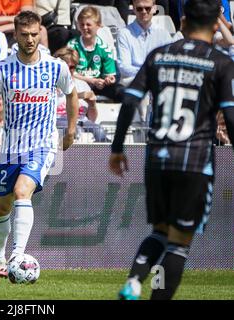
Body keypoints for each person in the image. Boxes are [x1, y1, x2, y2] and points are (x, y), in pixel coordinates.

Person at [109, 0, 234, 300]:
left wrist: (117, 148)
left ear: (182, 22)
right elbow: (230, 116)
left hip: (157, 158)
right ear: (217, 24)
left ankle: (135, 280)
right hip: (195, 162)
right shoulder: (220, 63)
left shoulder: (159, 55)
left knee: (160, 232)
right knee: (178, 243)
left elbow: (129, 101)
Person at [0, 11, 79, 284]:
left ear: (40, 33)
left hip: (42, 145)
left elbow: (73, 95)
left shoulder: (55, 67)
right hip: (11, 148)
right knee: (2, 207)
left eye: (35, 34)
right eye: (25, 34)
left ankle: (17, 257)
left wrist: (70, 130)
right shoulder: (2, 69)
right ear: (16, 33)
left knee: (22, 191)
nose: (30, 39)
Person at [68, 6, 123, 102]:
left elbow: (109, 74)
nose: (85, 28)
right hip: (78, 85)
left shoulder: (105, 48)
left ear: (98, 25)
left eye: (88, 25)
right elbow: (69, 73)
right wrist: (91, 80)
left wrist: (108, 79)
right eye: (82, 24)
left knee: (121, 91)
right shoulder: (72, 46)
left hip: (98, 86)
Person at [54, 47, 109, 143]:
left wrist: (92, 104)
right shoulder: (50, 84)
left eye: (72, 67)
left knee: (99, 131)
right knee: (76, 131)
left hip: (82, 120)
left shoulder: (82, 84)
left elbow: (92, 119)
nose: (69, 70)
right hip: (59, 120)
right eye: (65, 66)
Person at [117, 0, 172, 85]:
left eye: (147, 8)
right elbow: (124, 67)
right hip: (132, 83)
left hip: (156, 83)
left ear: (154, 8)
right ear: (134, 9)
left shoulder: (164, 34)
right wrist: (150, 72)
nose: (144, 12)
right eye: (139, 9)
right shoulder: (124, 33)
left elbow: (168, 64)